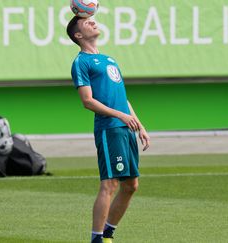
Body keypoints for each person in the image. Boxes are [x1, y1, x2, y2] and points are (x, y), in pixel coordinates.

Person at [67, 16, 150, 243]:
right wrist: (119, 115)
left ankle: (108, 233)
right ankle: (97, 239)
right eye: (86, 22)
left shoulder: (109, 60)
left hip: (126, 128)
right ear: (78, 35)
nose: (93, 22)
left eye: (93, 20)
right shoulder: (81, 62)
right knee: (110, 183)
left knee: (131, 185)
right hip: (109, 128)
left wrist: (139, 125)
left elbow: (123, 98)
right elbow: (87, 101)